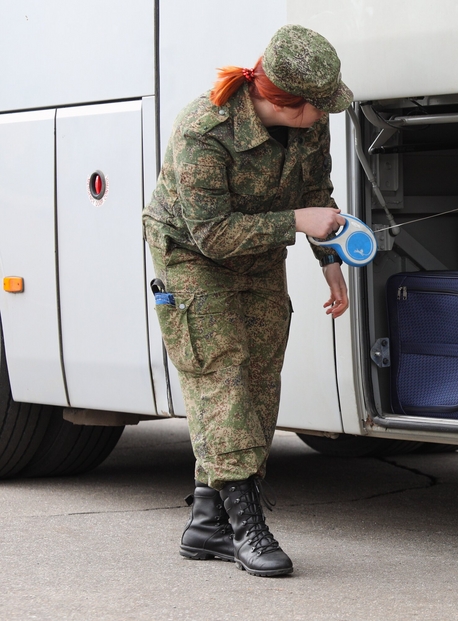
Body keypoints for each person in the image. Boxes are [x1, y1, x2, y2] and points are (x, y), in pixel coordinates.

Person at [142, 24, 353, 577]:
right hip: (190, 255)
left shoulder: (311, 130)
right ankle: (245, 524)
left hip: (258, 254)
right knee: (222, 374)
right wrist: (296, 222)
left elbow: (316, 197)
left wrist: (330, 262)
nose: (325, 115)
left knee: (261, 373)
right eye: (320, 106)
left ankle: (207, 523)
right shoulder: (203, 130)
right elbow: (211, 234)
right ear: (288, 102)